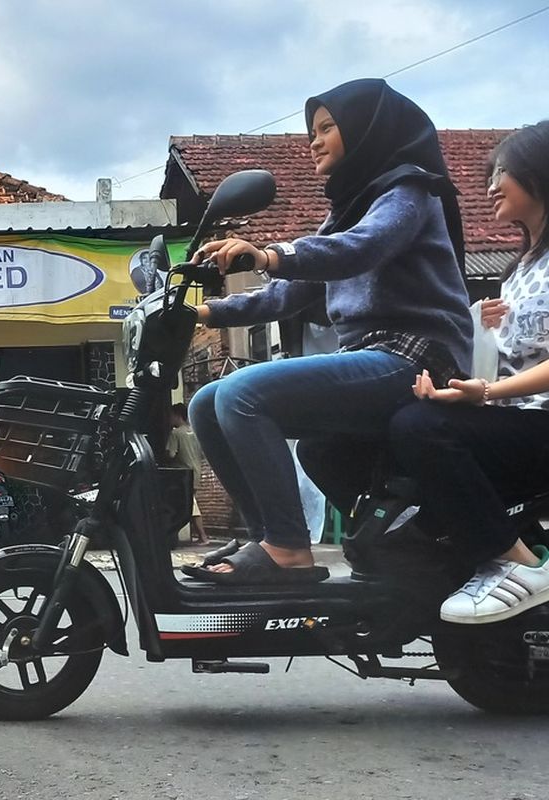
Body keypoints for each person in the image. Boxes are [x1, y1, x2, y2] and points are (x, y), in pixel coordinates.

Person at [185, 78, 472, 584]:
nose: (313, 141)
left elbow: (363, 247)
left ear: (366, 130)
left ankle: (288, 549)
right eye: (310, 130)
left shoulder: (408, 190)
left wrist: (271, 253)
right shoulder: (347, 211)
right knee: (206, 402)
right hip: (373, 357)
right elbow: (290, 294)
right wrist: (206, 314)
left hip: (419, 357)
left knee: (241, 395)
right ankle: (267, 538)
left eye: (326, 127)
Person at [390, 121, 549, 624]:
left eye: (501, 171)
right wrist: (478, 345)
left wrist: (486, 391)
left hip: (539, 422)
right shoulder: (521, 267)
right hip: (514, 418)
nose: (490, 186)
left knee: (419, 428)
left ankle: (519, 564)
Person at [166, 402, 209, 545]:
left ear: (177, 416)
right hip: (196, 472)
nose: (169, 419)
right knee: (190, 502)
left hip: (183, 474)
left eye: (171, 416)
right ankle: (201, 536)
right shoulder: (195, 431)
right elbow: (202, 454)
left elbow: (171, 454)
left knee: (191, 505)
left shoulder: (175, 433)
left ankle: (203, 537)